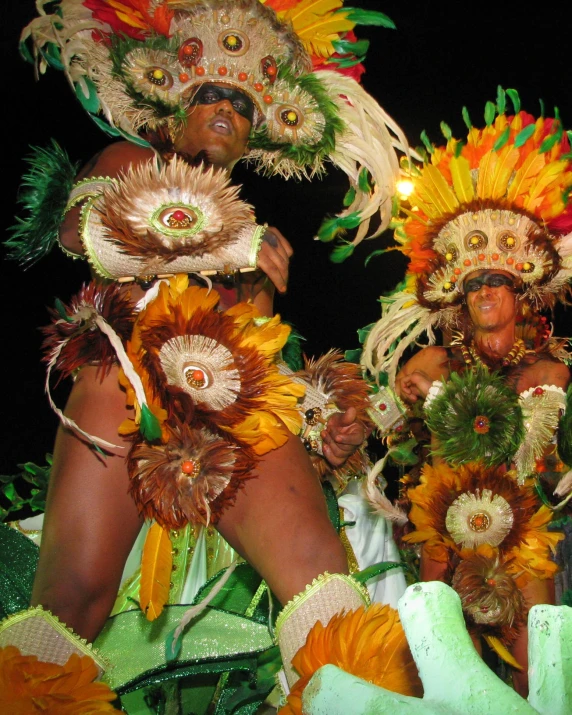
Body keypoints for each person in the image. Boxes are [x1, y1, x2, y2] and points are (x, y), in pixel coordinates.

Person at [1, 0, 413, 709]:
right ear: (175, 100)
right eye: (212, 92)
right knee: (75, 598)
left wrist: (319, 421)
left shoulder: (251, 232)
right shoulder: (134, 162)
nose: (229, 108)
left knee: (321, 582)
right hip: (128, 378)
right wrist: (217, 241)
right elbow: (85, 232)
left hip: (232, 402)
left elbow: (258, 345)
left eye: (246, 104)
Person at [361, 87, 572, 697]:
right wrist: (396, 408)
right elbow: (385, 428)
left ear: (520, 292)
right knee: (437, 649)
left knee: (539, 655)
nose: (483, 292)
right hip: (443, 531)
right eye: (473, 282)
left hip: (528, 530)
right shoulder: (431, 362)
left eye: (496, 282)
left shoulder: (553, 372)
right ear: (457, 291)